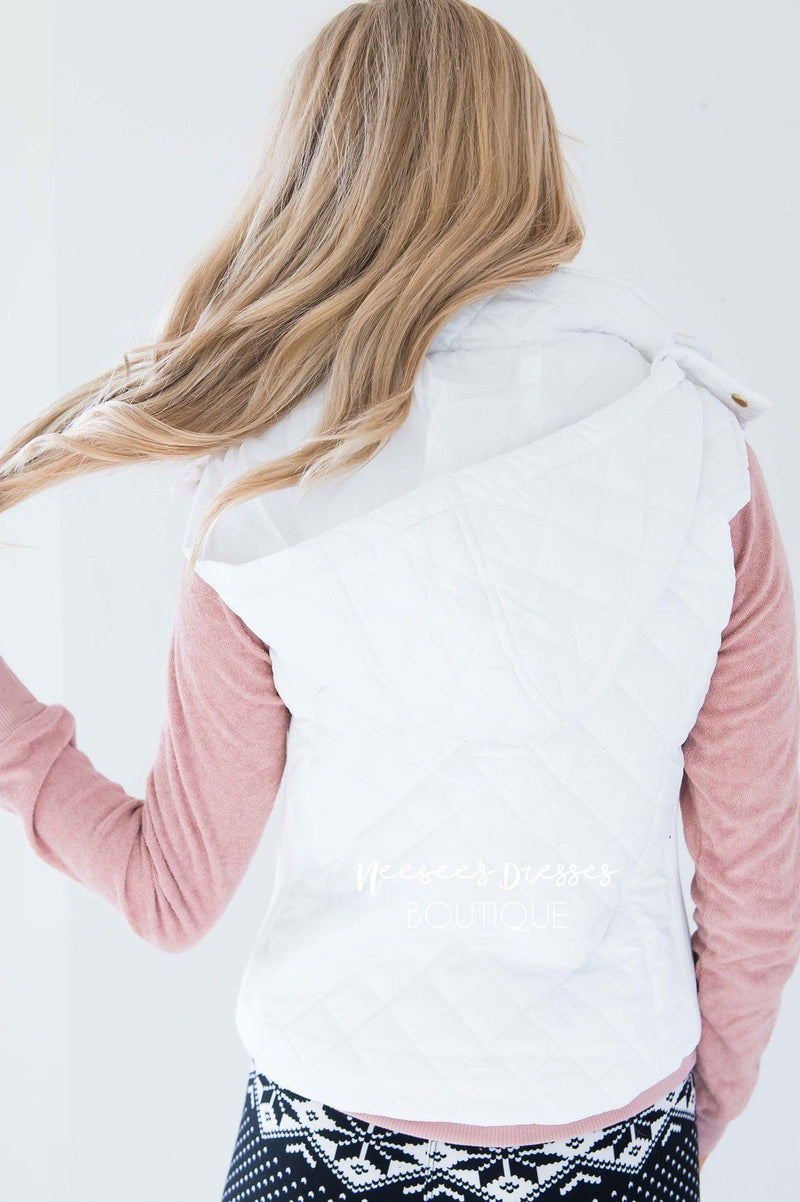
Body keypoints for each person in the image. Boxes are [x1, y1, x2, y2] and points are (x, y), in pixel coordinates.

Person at [2, 1, 799, 1198]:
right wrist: (689, 1122)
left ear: (317, 172)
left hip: (319, 1146)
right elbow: (755, 885)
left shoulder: (260, 484)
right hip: (620, 1135)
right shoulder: (697, 450)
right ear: (521, 155)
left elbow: (170, 890)